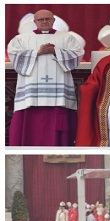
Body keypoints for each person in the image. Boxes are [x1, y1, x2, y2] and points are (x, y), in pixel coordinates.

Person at [7, 9, 84, 146]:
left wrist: (56, 51)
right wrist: (37, 52)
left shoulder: (67, 38)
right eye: (40, 19)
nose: (44, 22)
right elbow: (14, 55)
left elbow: (77, 54)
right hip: (31, 95)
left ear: (53, 20)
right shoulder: (21, 39)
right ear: (34, 21)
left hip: (58, 95)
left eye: (47, 19)